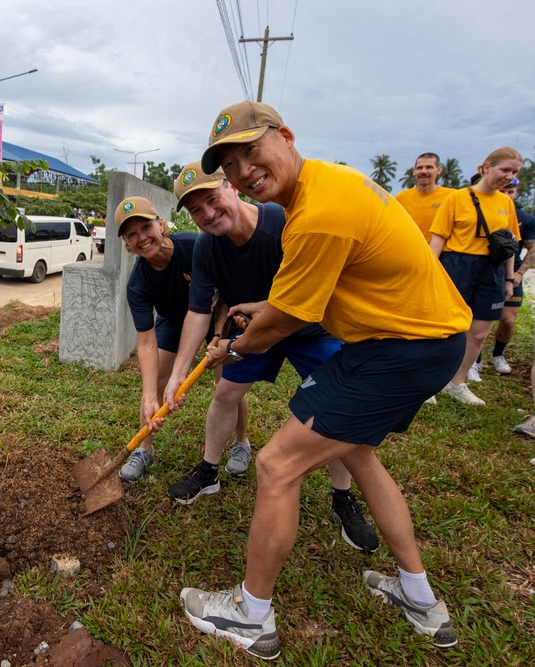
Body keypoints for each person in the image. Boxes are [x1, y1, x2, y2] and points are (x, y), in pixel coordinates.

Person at [173, 100, 470, 659]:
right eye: (230, 164)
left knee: (276, 463)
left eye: (250, 153)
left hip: (400, 351)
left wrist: (228, 349)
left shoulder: (316, 214)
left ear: (285, 136)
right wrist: (265, 307)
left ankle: (250, 615)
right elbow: (306, 296)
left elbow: (285, 324)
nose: (243, 171)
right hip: (407, 341)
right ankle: (420, 598)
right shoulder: (327, 185)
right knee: (357, 453)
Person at [163, 162, 378, 555]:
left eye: (212, 200)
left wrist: (264, 310)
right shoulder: (207, 247)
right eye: (196, 211)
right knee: (226, 393)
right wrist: (177, 374)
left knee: (337, 410)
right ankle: (209, 470)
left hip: (312, 328)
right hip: (255, 333)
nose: (208, 215)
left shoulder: (282, 221)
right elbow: (198, 311)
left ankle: (343, 496)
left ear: (231, 187)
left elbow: (318, 291)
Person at [112, 195, 247, 481]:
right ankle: (144, 449)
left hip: (216, 311)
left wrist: (218, 332)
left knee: (228, 381)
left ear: (161, 224)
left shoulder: (195, 246)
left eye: (146, 227)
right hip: (174, 320)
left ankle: (241, 443)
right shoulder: (138, 285)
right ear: (127, 243)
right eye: (131, 234)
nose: (142, 238)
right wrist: (150, 396)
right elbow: (146, 342)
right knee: (158, 377)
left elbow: (225, 290)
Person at [428, 148, 522, 405]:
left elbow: (509, 245)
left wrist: (509, 279)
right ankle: (428, 384)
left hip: (491, 269)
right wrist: (428, 273)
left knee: (478, 333)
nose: (509, 176)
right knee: (442, 329)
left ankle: (456, 382)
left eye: (514, 173)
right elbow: (438, 239)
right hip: (457, 264)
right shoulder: (457, 198)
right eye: (505, 170)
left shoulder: (506, 204)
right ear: (486, 167)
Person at [482, 178, 535, 375]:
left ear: (516, 193)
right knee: (479, 319)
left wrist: (518, 274)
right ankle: (474, 361)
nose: (506, 195)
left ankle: (497, 354)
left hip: (512, 272)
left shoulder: (525, 219)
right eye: (503, 191)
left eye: (510, 191)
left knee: (508, 320)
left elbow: (532, 248)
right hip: (486, 271)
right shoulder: (485, 213)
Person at [395, 153, 454, 241]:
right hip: (412, 250)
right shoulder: (402, 197)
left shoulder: (451, 196)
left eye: (429, 167)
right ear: (414, 171)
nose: (423, 171)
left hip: (442, 252)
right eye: (419, 168)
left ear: (438, 170)